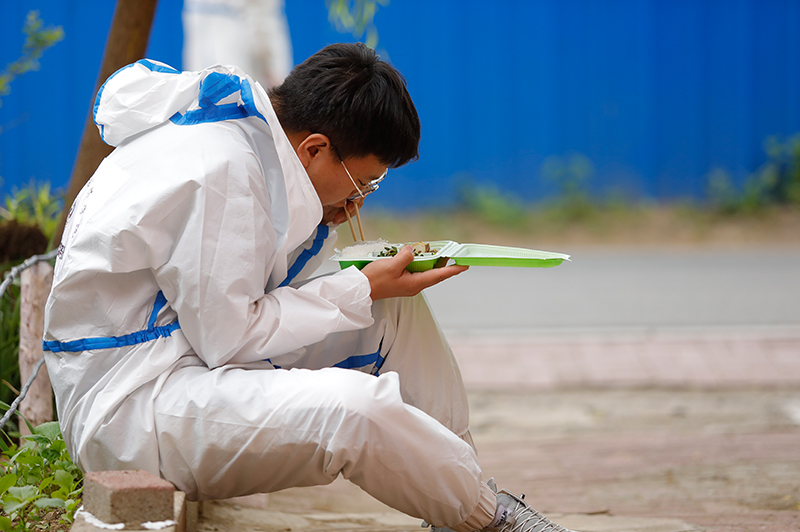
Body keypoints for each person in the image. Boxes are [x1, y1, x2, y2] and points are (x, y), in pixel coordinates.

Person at [43, 44, 576, 532]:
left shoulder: (247, 139)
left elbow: (236, 295)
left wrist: (361, 281)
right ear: (316, 148)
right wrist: (357, 289)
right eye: (364, 181)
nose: (361, 198)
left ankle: (460, 496)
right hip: (133, 410)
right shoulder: (221, 170)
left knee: (394, 313)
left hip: (182, 360)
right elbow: (228, 339)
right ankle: (490, 520)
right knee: (353, 410)